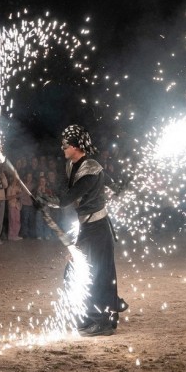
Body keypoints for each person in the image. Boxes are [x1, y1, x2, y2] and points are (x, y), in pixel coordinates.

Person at [35, 125, 127, 337]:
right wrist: (46, 199)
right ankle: (92, 315)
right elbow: (66, 192)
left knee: (96, 274)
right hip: (87, 228)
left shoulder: (91, 170)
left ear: (76, 146)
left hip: (98, 229)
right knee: (78, 272)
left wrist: (48, 201)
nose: (62, 147)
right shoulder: (72, 166)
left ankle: (103, 321)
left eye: (66, 144)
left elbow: (68, 198)